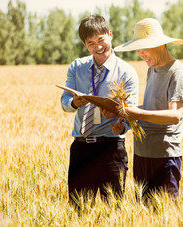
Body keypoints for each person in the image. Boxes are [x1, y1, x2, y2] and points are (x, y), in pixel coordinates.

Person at [108, 18, 183, 202]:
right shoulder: (152, 69)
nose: (140, 53)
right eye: (137, 49)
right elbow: (150, 108)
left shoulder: (178, 72)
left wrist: (137, 113)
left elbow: (174, 116)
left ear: (160, 44)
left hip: (164, 156)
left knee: (166, 214)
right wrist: (123, 114)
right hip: (142, 153)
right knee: (143, 214)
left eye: (144, 48)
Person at [60, 15, 139, 210]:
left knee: (113, 210)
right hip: (81, 148)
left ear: (110, 35)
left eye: (101, 39)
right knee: (78, 211)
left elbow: (131, 110)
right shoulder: (77, 67)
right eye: (91, 43)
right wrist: (74, 103)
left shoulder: (126, 72)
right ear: (85, 45)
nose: (98, 47)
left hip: (112, 149)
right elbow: (64, 103)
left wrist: (122, 124)